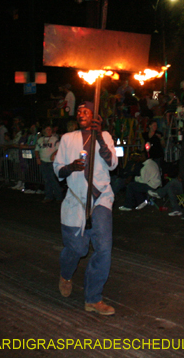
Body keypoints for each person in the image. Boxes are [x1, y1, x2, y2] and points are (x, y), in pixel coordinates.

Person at [54, 102, 118, 315]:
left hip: (100, 200)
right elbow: (58, 171)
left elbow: (112, 163)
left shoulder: (106, 136)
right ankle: (65, 274)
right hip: (76, 200)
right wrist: (71, 167)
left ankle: (93, 298)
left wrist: (99, 136)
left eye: (86, 111)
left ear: (95, 116)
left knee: (103, 250)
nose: (81, 114)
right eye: (79, 111)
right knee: (78, 249)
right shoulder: (67, 138)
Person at [35, 124, 64, 203]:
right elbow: (36, 150)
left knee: (53, 179)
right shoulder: (40, 139)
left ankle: (59, 197)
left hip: (51, 162)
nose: (49, 131)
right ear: (44, 130)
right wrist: (37, 158)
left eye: (50, 130)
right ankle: (48, 196)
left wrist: (53, 154)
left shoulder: (54, 139)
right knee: (46, 180)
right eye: (47, 129)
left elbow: (59, 149)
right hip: (43, 162)